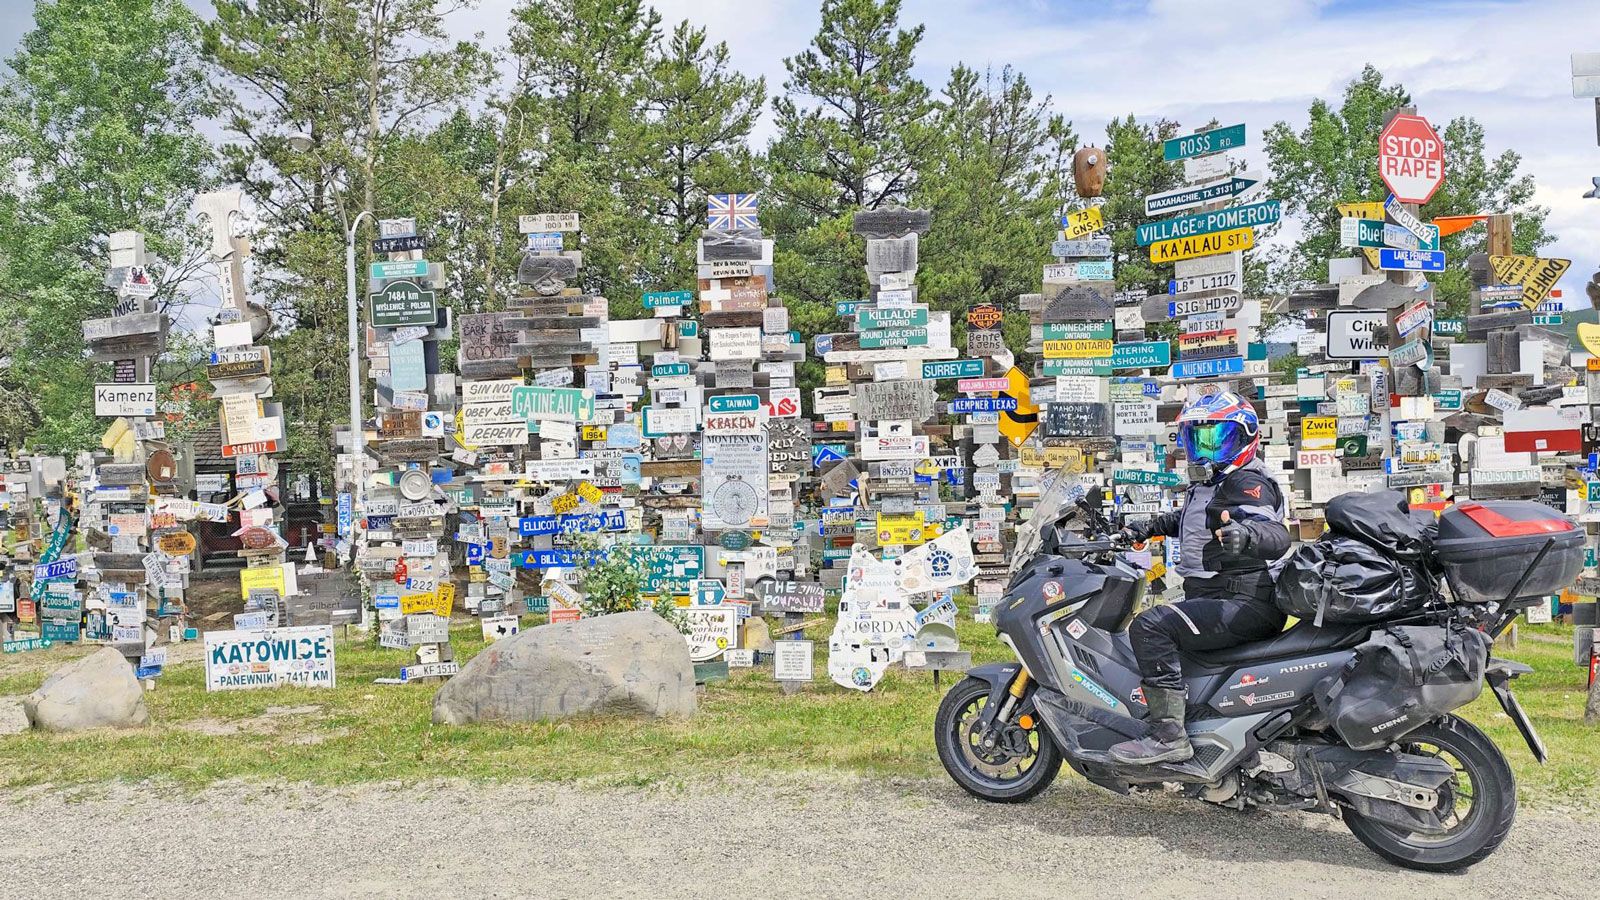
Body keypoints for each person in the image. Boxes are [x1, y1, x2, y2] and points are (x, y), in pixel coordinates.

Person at [1108, 390, 1291, 765]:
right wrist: (1139, 529)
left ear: (1244, 437)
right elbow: (1190, 521)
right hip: (1218, 596)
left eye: (1216, 438)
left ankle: (1169, 738)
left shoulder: (1247, 483)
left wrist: (1249, 536)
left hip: (1244, 603)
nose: (1204, 449)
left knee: (1150, 628)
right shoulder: (1211, 485)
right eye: (1197, 438)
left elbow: (1275, 534)